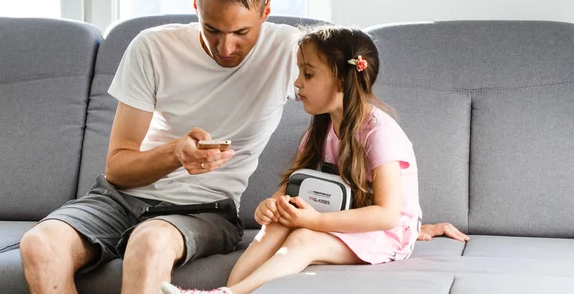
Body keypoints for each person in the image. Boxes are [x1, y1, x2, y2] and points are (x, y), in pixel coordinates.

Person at [19, 0, 466, 294]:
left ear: (266, 13)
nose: (227, 47)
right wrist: (175, 154)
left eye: (242, 33)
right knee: (40, 245)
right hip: (118, 197)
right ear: (194, 5)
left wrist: (402, 223)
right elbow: (117, 167)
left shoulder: (293, 51)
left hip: (203, 209)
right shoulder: (151, 48)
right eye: (212, 29)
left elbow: (347, 86)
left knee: (150, 243)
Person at [161, 26, 423, 294]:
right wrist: (272, 205)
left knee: (304, 238)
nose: (297, 82)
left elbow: (387, 215)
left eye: (308, 74)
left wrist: (315, 223)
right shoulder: (318, 131)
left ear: (342, 81)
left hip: (385, 234)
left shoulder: (379, 132)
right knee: (278, 224)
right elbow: (295, 186)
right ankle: (229, 290)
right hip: (338, 216)